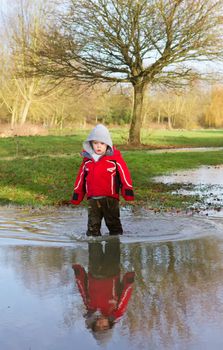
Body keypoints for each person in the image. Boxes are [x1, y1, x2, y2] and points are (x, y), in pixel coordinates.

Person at [70, 124, 134, 236]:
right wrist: (77, 195)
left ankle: (114, 246)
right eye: (95, 143)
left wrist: (127, 191)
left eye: (102, 143)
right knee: (92, 227)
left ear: (107, 144)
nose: (98, 146)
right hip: (93, 199)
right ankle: (94, 249)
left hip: (110, 198)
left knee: (113, 225)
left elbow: (125, 175)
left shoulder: (114, 159)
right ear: (91, 144)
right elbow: (80, 179)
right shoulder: (87, 161)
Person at [72, 238, 135, 341]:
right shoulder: (116, 312)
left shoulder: (90, 308)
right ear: (110, 325)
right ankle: (114, 232)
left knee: (94, 243)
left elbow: (83, 288)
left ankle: (94, 231)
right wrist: (129, 280)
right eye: (105, 326)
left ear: (94, 324)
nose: (101, 324)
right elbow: (125, 295)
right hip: (112, 271)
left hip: (94, 271)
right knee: (113, 243)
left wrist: (78, 272)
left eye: (98, 326)